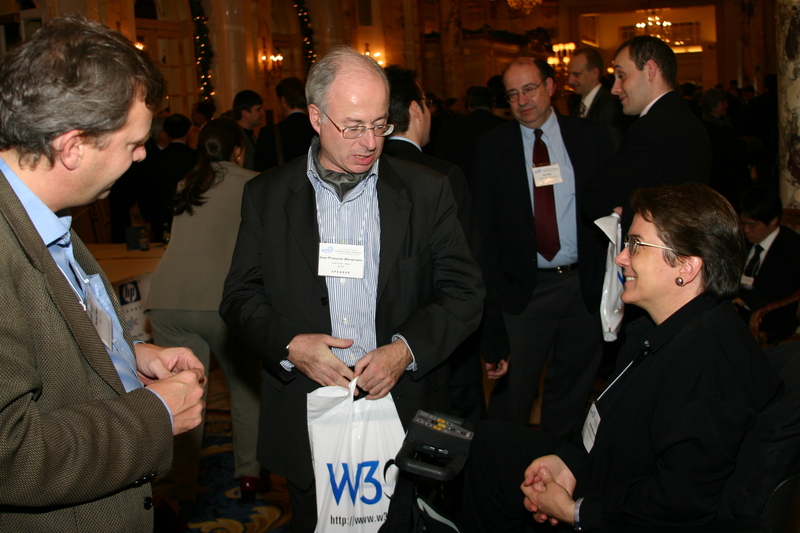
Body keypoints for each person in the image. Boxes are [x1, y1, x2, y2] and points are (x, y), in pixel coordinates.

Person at [219, 45, 484, 533]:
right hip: (308, 410)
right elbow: (239, 298)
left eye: (380, 125)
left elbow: (465, 293)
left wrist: (404, 351)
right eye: (354, 126)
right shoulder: (267, 195)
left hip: (403, 408)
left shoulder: (426, 190)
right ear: (316, 117)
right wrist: (292, 346)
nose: (370, 142)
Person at [460, 183, 782, 532]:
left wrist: (576, 511)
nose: (620, 257)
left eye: (637, 245)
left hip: (628, 511)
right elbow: (609, 422)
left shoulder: (710, 366)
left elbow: (679, 502)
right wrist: (569, 463)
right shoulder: (657, 328)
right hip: (611, 473)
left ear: (686, 267)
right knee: (490, 441)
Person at [0, 15, 206, 531]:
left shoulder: (45, 214)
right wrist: (155, 415)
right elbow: (11, 455)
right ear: (72, 147)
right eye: (132, 142)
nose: (142, 155)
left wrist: (126, 356)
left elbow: (46, 332)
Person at [473, 57, 610, 439]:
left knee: (571, 395)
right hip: (524, 293)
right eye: (513, 94)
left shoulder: (589, 137)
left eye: (530, 89)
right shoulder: (492, 147)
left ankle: (556, 466)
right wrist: (492, 308)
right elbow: (484, 232)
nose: (522, 101)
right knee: (511, 399)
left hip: (582, 289)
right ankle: (504, 469)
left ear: (550, 87)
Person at [146, 119, 262, 501]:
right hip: (220, 302)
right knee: (245, 390)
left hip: (167, 298)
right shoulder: (253, 182)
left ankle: (175, 490)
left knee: (183, 393)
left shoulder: (188, 182)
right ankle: (249, 474)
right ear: (238, 151)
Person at [382, 64, 489, 428]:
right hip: (441, 336)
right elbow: (470, 266)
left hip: (379, 342)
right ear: (416, 109)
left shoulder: (359, 172)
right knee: (454, 434)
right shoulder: (442, 176)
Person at [583, 35, 712, 232]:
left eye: (621, 76)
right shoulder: (685, 117)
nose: (615, 89)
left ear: (650, 71)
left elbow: (595, 199)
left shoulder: (652, 127)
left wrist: (627, 210)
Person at [735, 186, 800, 343]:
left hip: (769, 315)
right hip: (736, 305)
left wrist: (743, 301)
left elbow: (782, 286)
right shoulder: (742, 239)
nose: (746, 230)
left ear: (773, 220)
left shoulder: (792, 245)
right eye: (743, 223)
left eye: (752, 225)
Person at [140, 113, 198, 241]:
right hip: (191, 216)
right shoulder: (197, 158)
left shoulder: (153, 159)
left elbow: (146, 192)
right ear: (188, 132)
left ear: (166, 133)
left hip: (160, 216)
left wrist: (148, 217)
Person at [434, 85, 507, 185]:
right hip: (495, 185)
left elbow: (440, 158)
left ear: (469, 105)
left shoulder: (450, 125)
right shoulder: (504, 126)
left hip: (458, 185)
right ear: (493, 105)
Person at [567, 47, 629, 153]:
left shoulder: (610, 105)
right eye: (569, 74)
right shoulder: (577, 109)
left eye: (576, 74)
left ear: (594, 73)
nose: (570, 81)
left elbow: (616, 149)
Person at [255, 77, 316, 171]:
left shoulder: (269, 132)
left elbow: (260, 170)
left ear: (283, 100)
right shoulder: (318, 128)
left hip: (280, 179)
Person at [233, 89, 265, 170]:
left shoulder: (253, 137)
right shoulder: (235, 137)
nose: (263, 113)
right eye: (258, 109)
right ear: (245, 114)